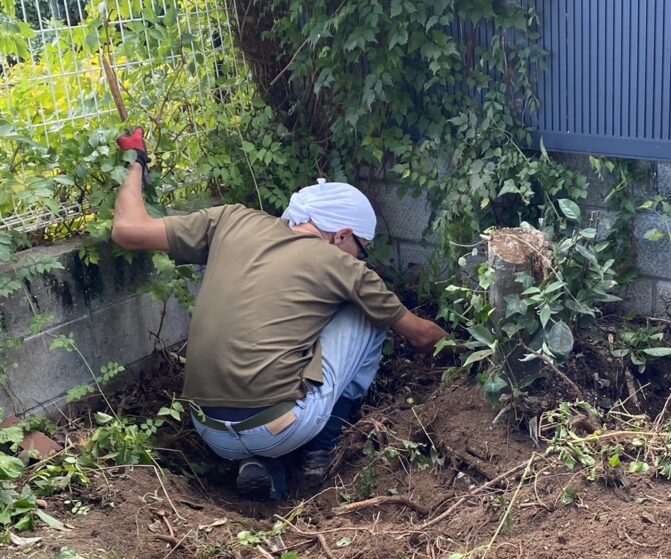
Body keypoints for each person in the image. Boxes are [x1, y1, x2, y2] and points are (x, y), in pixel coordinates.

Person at [110, 128, 447, 500]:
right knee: (368, 314)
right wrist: (472, 354)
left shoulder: (230, 220)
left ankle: (265, 466)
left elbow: (128, 230)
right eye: (361, 249)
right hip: (281, 426)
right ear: (341, 235)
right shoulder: (340, 264)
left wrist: (135, 163)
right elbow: (421, 336)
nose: (359, 258)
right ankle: (321, 446)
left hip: (208, 430)